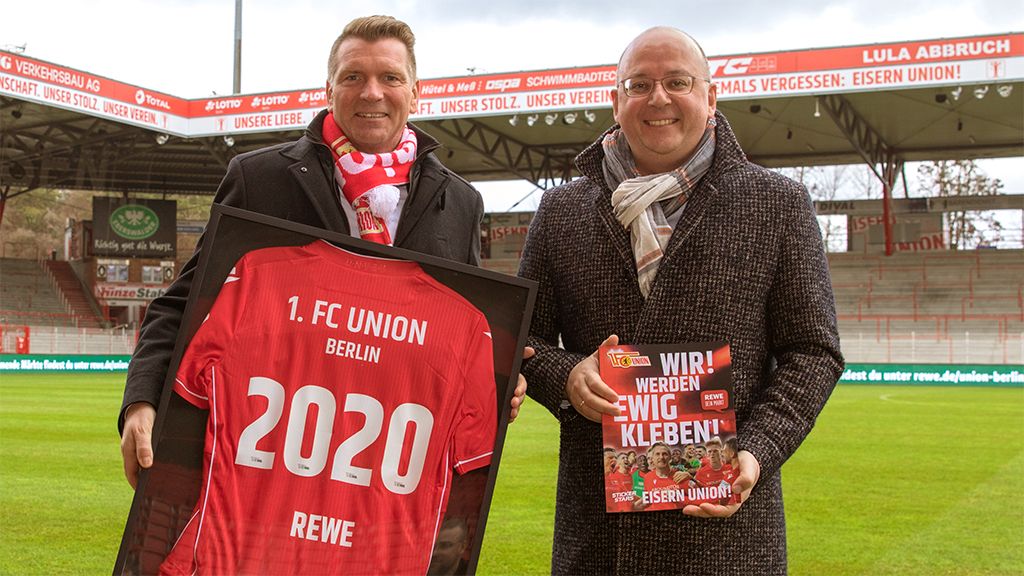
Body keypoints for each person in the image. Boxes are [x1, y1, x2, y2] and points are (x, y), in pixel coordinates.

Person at [119, 15, 528, 489]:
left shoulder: (460, 201)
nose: (371, 92)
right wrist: (142, 401)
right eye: (353, 76)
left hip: (388, 466)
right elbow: (183, 305)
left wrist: (500, 381)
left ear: (415, 92)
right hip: (269, 453)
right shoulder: (260, 179)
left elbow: (462, 334)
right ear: (328, 89)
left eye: (390, 77)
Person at [518, 26, 843, 574]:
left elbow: (813, 352)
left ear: (711, 98)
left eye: (678, 82)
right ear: (617, 101)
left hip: (726, 530)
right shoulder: (561, 211)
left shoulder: (778, 203)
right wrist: (569, 378)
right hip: (597, 534)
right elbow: (524, 338)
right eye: (639, 84)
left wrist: (757, 450)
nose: (659, 98)